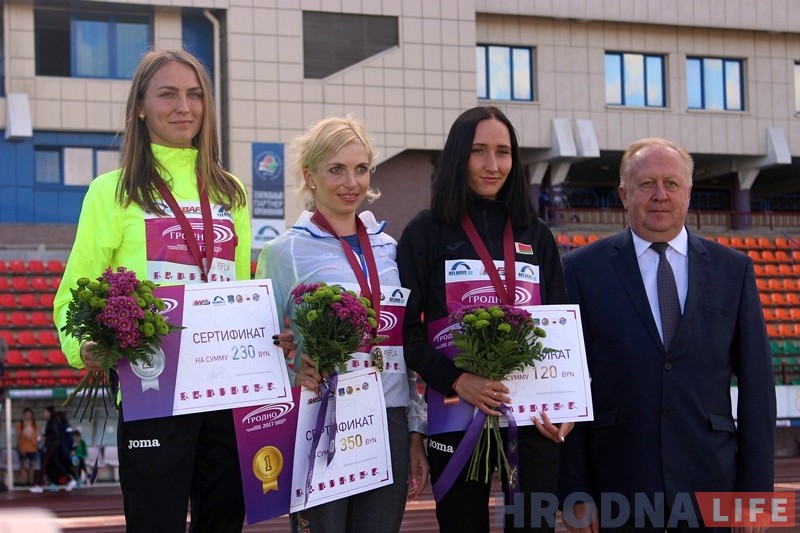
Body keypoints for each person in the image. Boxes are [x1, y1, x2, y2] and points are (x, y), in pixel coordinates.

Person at [52, 48, 292, 532]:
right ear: (140, 106)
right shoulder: (111, 191)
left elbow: (243, 288)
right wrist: (84, 347)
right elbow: (73, 293)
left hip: (226, 389)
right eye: (168, 94)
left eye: (195, 95)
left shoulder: (232, 192)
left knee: (223, 523)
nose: (184, 107)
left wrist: (270, 337)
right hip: (152, 388)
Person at [557, 137, 776, 532]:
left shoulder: (734, 270)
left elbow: (758, 388)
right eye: (646, 184)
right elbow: (568, 390)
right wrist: (574, 492)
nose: (660, 195)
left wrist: (755, 494)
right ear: (624, 195)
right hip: (617, 487)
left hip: (712, 482)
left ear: (689, 192)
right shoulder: (579, 271)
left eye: (671, 184)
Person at [396, 105, 572, 533]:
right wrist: (458, 380)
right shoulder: (425, 232)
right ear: (459, 156)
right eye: (479, 151)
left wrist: (569, 401)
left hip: (532, 416)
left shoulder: (536, 234)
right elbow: (406, 331)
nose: (493, 165)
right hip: (456, 412)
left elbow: (561, 325)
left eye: (503, 152)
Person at [255, 115, 429, 533]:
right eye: (336, 169)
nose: (351, 182)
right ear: (309, 176)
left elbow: (405, 347)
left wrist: (415, 431)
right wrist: (291, 364)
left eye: (361, 168)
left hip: (388, 416)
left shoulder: (391, 250)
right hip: (322, 416)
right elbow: (259, 347)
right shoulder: (284, 252)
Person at [16, 407, 38, 487]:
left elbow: (36, 436)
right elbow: (18, 437)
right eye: (26, 414)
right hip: (23, 448)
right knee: (22, 465)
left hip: (32, 448)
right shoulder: (20, 424)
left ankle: (31, 482)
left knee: (31, 465)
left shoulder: (34, 424)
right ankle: (23, 482)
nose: (28, 416)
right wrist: (20, 447)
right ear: (23, 415)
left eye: (29, 414)